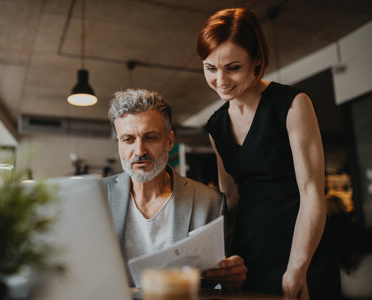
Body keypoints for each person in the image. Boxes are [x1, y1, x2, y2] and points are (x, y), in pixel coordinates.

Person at [197, 7, 340, 299]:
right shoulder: (215, 125)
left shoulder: (292, 104)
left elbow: (312, 193)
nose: (220, 80)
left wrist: (297, 266)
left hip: (302, 247)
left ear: (257, 62)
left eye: (232, 67)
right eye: (211, 68)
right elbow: (231, 201)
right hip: (250, 252)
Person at [104, 88, 247, 290]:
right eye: (128, 139)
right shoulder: (97, 197)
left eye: (150, 137)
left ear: (169, 141)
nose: (139, 151)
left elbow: (216, 283)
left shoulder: (209, 202)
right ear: (119, 143)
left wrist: (231, 277)